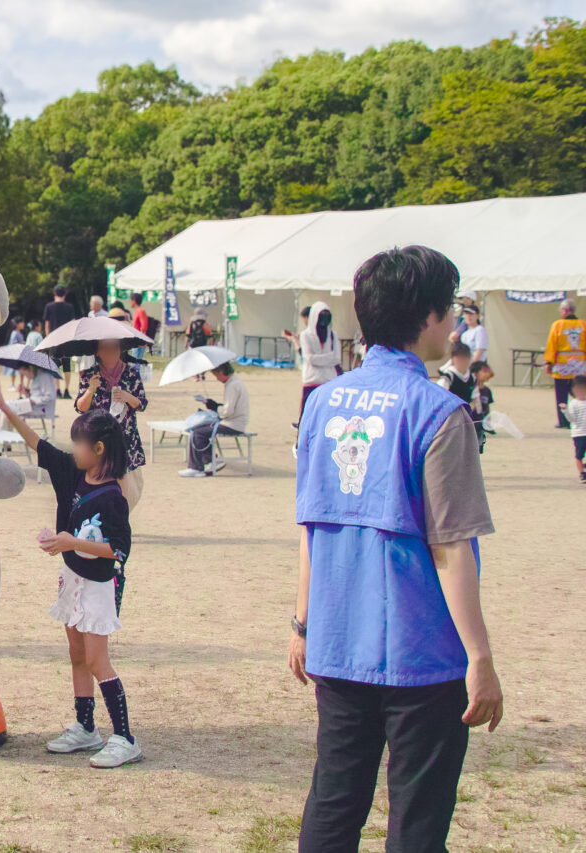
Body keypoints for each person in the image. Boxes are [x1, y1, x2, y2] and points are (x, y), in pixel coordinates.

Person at [290, 245, 502, 852]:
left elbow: (312, 525)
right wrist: (479, 657)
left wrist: (302, 624)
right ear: (429, 317)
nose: (456, 325)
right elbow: (451, 547)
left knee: (334, 803)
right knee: (418, 817)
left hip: (336, 640)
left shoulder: (323, 403)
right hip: (422, 653)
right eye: (452, 312)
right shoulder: (439, 411)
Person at [0, 378, 139, 768]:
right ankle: (86, 728)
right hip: (72, 578)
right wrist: (6, 409)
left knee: (96, 659)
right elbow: (39, 444)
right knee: (76, 655)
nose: (73, 450)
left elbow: (117, 550)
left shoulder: (112, 496)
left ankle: (125, 738)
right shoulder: (73, 473)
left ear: (99, 450)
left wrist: (71, 542)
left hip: (99, 585)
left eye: (79, 444)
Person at [75, 339, 147, 507]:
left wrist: (129, 398)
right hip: (98, 439)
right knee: (99, 480)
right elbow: (80, 408)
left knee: (129, 486)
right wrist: (90, 390)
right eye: (105, 349)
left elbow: (142, 404)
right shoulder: (89, 375)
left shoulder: (131, 374)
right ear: (97, 352)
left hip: (125, 438)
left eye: (114, 348)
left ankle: (121, 520)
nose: (110, 353)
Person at [179, 361, 249, 478]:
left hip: (233, 424)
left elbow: (228, 412)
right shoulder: (235, 382)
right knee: (200, 430)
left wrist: (215, 406)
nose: (217, 379)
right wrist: (216, 405)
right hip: (235, 422)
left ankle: (197, 467)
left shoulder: (232, 385)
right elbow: (230, 407)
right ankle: (211, 461)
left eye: (217, 375)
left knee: (198, 432)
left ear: (222, 372)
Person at [544, 298, 585, 428]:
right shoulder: (583, 325)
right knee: (581, 390)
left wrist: (549, 362)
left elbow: (552, 345)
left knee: (561, 393)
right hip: (580, 365)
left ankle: (563, 421)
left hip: (562, 365)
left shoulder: (558, 325)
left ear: (564, 310)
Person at [299, 301, 341, 418]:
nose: (324, 318)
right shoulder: (305, 335)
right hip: (311, 381)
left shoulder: (333, 335)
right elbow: (309, 358)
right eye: (321, 314)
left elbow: (337, 358)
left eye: (326, 314)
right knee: (307, 415)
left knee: (327, 416)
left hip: (329, 381)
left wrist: (318, 359)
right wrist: (329, 357)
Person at [43, 285, 77, 399]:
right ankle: (67, 390)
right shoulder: (69, 307)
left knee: (54, 365)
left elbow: (47, 324)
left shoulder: (49, 306)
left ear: (54, 293)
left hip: (54, 339)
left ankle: (57, 390)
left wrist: (48, 338)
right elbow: (73, 322)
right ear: (65, 294)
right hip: (66, 339)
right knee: (67, 366)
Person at [559, 376, 586, 483]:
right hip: (579, 433)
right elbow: (572, 419)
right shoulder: (574, 404)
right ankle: (582, 473)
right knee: (579, 455)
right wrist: (565, 411)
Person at [437, 341, 475, 407]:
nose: (462, 361)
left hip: (466, 414)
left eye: (464, 358)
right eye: (459, 358)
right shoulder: (448, 377)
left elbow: (474, 401)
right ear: (452, 359)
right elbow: (438, 398)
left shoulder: (473, 378)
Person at [469, 361, 495, 454]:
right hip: (470, 422)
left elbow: (487, 407)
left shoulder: (487, 391)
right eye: (484, 371)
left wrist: (488, 422)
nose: (487, 374)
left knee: (478, 449)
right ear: (475, 372)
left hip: (480, 423)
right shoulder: (469, 389)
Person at [4, 319, 26, 389]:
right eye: (21, 323)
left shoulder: (19, 333)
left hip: (20, 353)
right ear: (17, 324)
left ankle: (21, 384)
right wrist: (22, 343)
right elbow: (13, 343)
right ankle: (13, 384)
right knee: (14, 370)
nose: (23, 325)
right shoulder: (14, 333)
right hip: (15, 353)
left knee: (21, 369)